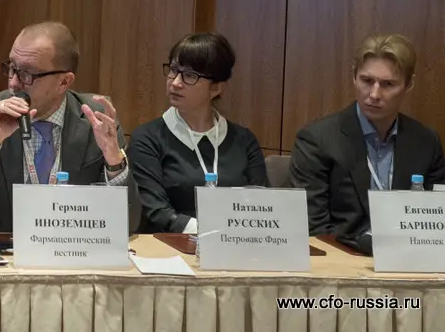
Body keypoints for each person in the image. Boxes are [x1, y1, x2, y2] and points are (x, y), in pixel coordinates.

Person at [0, 22, 142, 234]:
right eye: (12, 68)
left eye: (27, 74)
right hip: (6, 253)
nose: (14, 83)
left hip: (72, 250)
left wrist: (114, 161)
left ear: (64, 82)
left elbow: (128, 226)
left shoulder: (96, 120)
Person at [289, 33, 445, 250]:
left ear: (408, 85)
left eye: (388, 84)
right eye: (367, 81)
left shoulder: (426, 142)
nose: (374, 94)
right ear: (354, 77)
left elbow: (436, 222)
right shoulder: (317, 139)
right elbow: (313, 229)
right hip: (342, 259)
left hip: (407, 257)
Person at [127, 33, 268, 233]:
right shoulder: (148, 138)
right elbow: (154, 210)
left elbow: (262, 206)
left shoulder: (244, 141)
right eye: (173, 70)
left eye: (190, 76)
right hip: (171, 244)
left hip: (237, 243)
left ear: (216, 88)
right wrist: (209, 232)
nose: (175, 82)